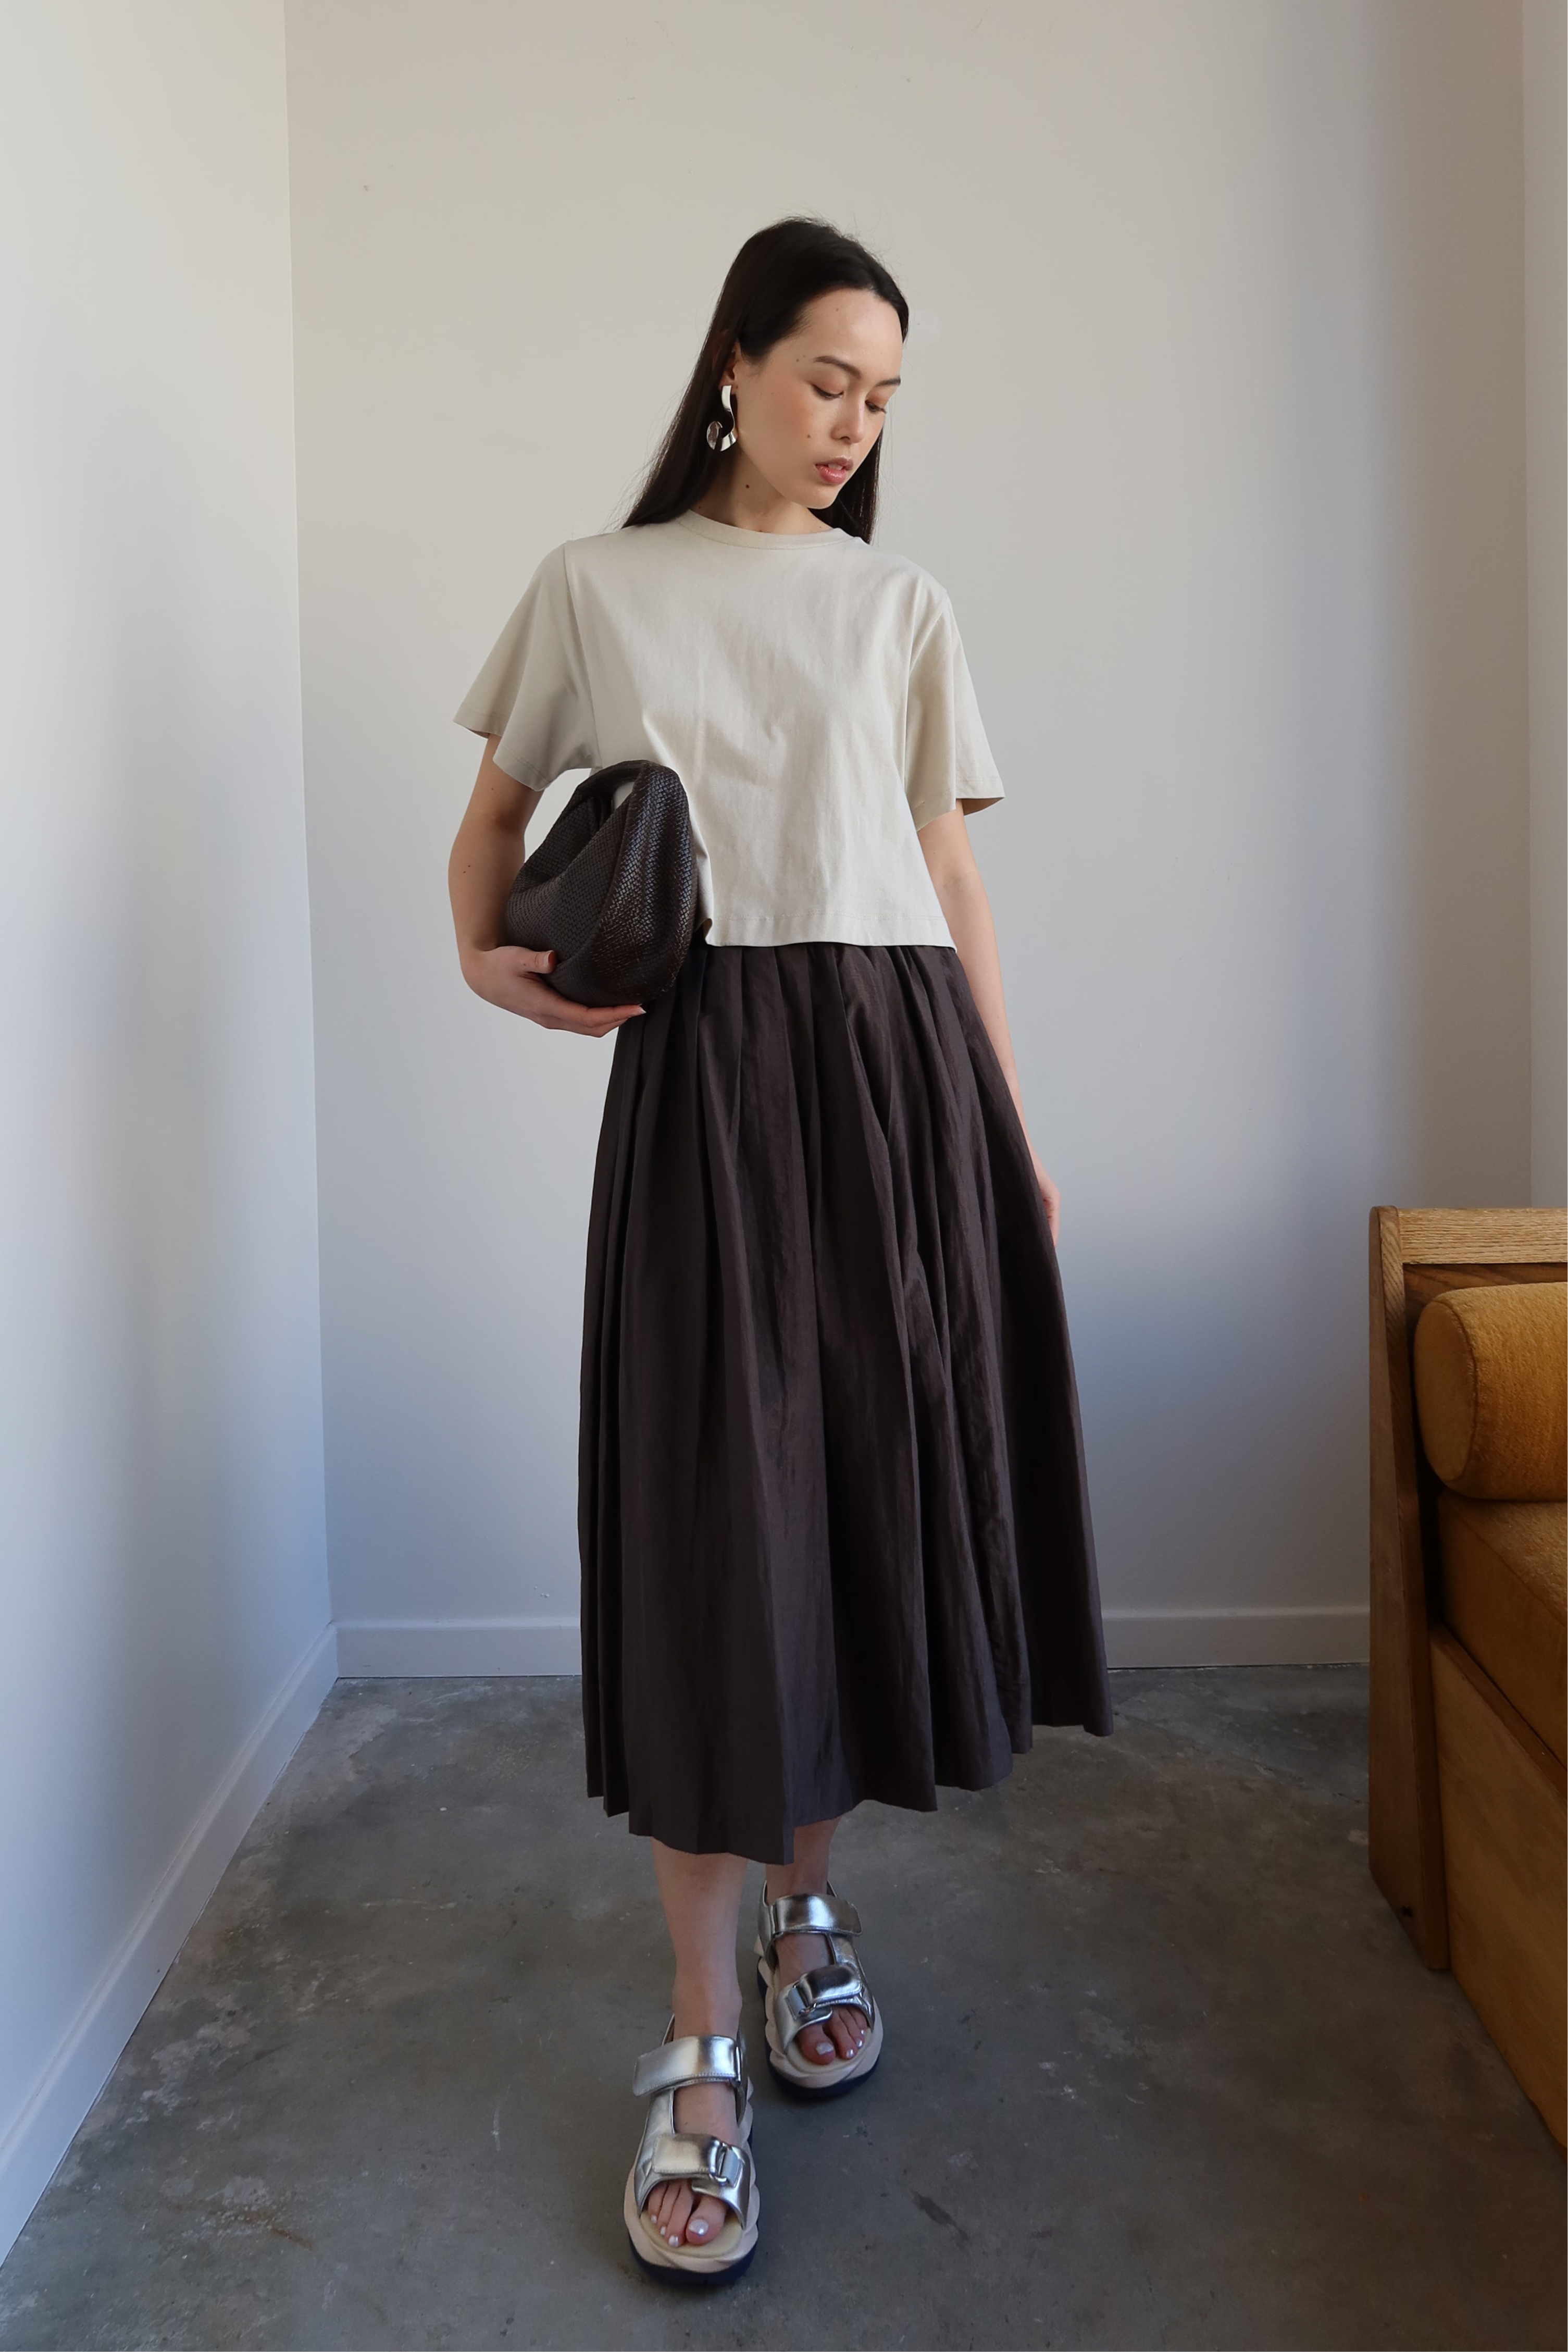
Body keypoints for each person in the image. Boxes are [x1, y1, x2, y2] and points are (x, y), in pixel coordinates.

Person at [448, 217, 1111, 2283]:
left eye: (885, 397)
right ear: (732, 364)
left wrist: (1006, 1129)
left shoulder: (896, 602)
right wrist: (493, 972)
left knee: (834, 1519)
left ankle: (810, 1911)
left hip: (891, 1079)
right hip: (711, 1081)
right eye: (829, 378)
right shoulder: (597, 584)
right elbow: (489, 832)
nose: (853, 425)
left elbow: (940, 869)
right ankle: (698, 2038)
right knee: (711, 1530)